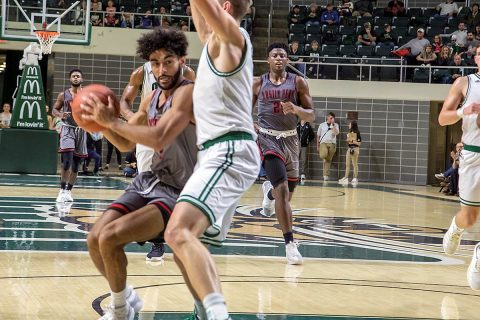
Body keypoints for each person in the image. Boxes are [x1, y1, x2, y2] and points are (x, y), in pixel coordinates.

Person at [83, 27, 197, 319]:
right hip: (149, 180)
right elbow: (125, 143)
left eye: (168, 61)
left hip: (180, 188)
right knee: (95, 237)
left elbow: (158, 137)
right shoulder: (152, 97)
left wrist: (112, 121)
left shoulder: (189, 92)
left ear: (182, 60)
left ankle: (120, 311)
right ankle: (125, 300)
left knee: (110, 237)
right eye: (155, 63)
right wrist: (97, 125)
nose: (161, 68)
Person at [164, 1, 261, 319]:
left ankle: (217, 316)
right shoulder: (213, 43)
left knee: (178, 233)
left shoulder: (235, 37)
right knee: (184, 243)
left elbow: (210, 14)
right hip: (216, 155)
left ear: (225, 5)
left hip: (229, 150)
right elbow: (204, 24)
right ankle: (205, 312)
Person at [119, 49, 195, 263]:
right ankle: (157, 243)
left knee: (179, 186)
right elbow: (125, 100)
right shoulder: (141, 73)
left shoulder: (187, 73)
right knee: (147, 185)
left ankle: (182, 232)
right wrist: (131, 117)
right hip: (148, 132)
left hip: (176, 134)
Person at [253, 42, 315, 264]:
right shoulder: (258, 83)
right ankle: (290, 244)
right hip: (268, 138)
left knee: (287, 192)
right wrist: (251, 125)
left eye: (282, 55)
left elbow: (311, 115)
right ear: (268, 60)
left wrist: (297, 109)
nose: (279, 58)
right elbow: (240, 110)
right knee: (281, 189)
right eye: (274, 55)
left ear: (287, 60)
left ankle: (268, 195)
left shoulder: (298, 82)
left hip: (291, 139)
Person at [438, 45, 480, 291]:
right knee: (470, 217)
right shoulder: (465, 83)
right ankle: (457, 227)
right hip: (474, 157)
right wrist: (463, 111)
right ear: (476, 58)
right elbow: (443, 118)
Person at [52, 69, 87, 203]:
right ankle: (61, 190)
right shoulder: (63, 95)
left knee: (76, 165)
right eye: (73, 76)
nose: (76, 78)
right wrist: (61, 115)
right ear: (70, 79)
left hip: (81, 130)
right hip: (67, 129)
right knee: (66, 162)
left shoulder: (87, 95)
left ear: (82, 79)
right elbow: (54, 109)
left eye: (78, 76)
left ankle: (68, 191)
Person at [317, 112, 339, 181]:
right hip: (323, 143)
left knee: (328, 160)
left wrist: (333, 125)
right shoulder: (322, 125)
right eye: (331, 117)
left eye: (333, 118)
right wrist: (317, 145)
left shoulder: (336, 125)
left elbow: (336, 133)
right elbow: (318, 135)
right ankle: (324, 157)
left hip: (332, 144)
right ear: (327, 117)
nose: (332, 119)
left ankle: (325, 175)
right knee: (323, 155)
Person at [338, 120, 361, 185]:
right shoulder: (349, 133)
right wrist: (348, 139)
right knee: (347, 164)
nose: (349, 125)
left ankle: (355, 178)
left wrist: (352, 140)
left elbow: (359, 143)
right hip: (349, 149)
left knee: (354, 164)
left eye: (350, 124)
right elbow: (349, 141)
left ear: (352, 125)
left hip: (355, 149)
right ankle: (346, 177)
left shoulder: (358, 133)